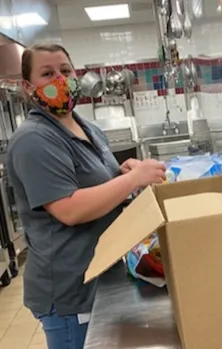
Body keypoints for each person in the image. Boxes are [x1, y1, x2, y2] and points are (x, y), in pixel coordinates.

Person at [6, 44, 166, 349]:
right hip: (69, 290)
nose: (60, 80)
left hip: (97, 276)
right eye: (47, 73)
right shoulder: (34, 140)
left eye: (65, 71)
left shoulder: (86, 127)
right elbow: (70, 208)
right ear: (28, 87)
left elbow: (93, 184)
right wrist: (133, 178)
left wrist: (123, 176)